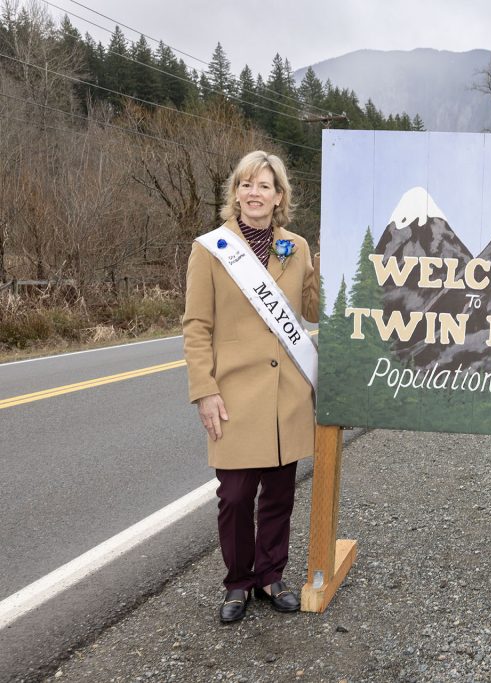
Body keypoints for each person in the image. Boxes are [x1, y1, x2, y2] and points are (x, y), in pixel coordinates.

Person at [182, 150, 319, 623]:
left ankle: (270, 575)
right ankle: (237, 582)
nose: (254, 193)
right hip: (234, 394)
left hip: (287, 394)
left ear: (279, 196)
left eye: (264, 186)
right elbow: (196, 326)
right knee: (236, 496)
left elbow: (314, 313)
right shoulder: (210, 249)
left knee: (280, 494)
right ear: (235, 193)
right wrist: (204, 389)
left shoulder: (297, 247)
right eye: (246, 184)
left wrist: (324, 272)